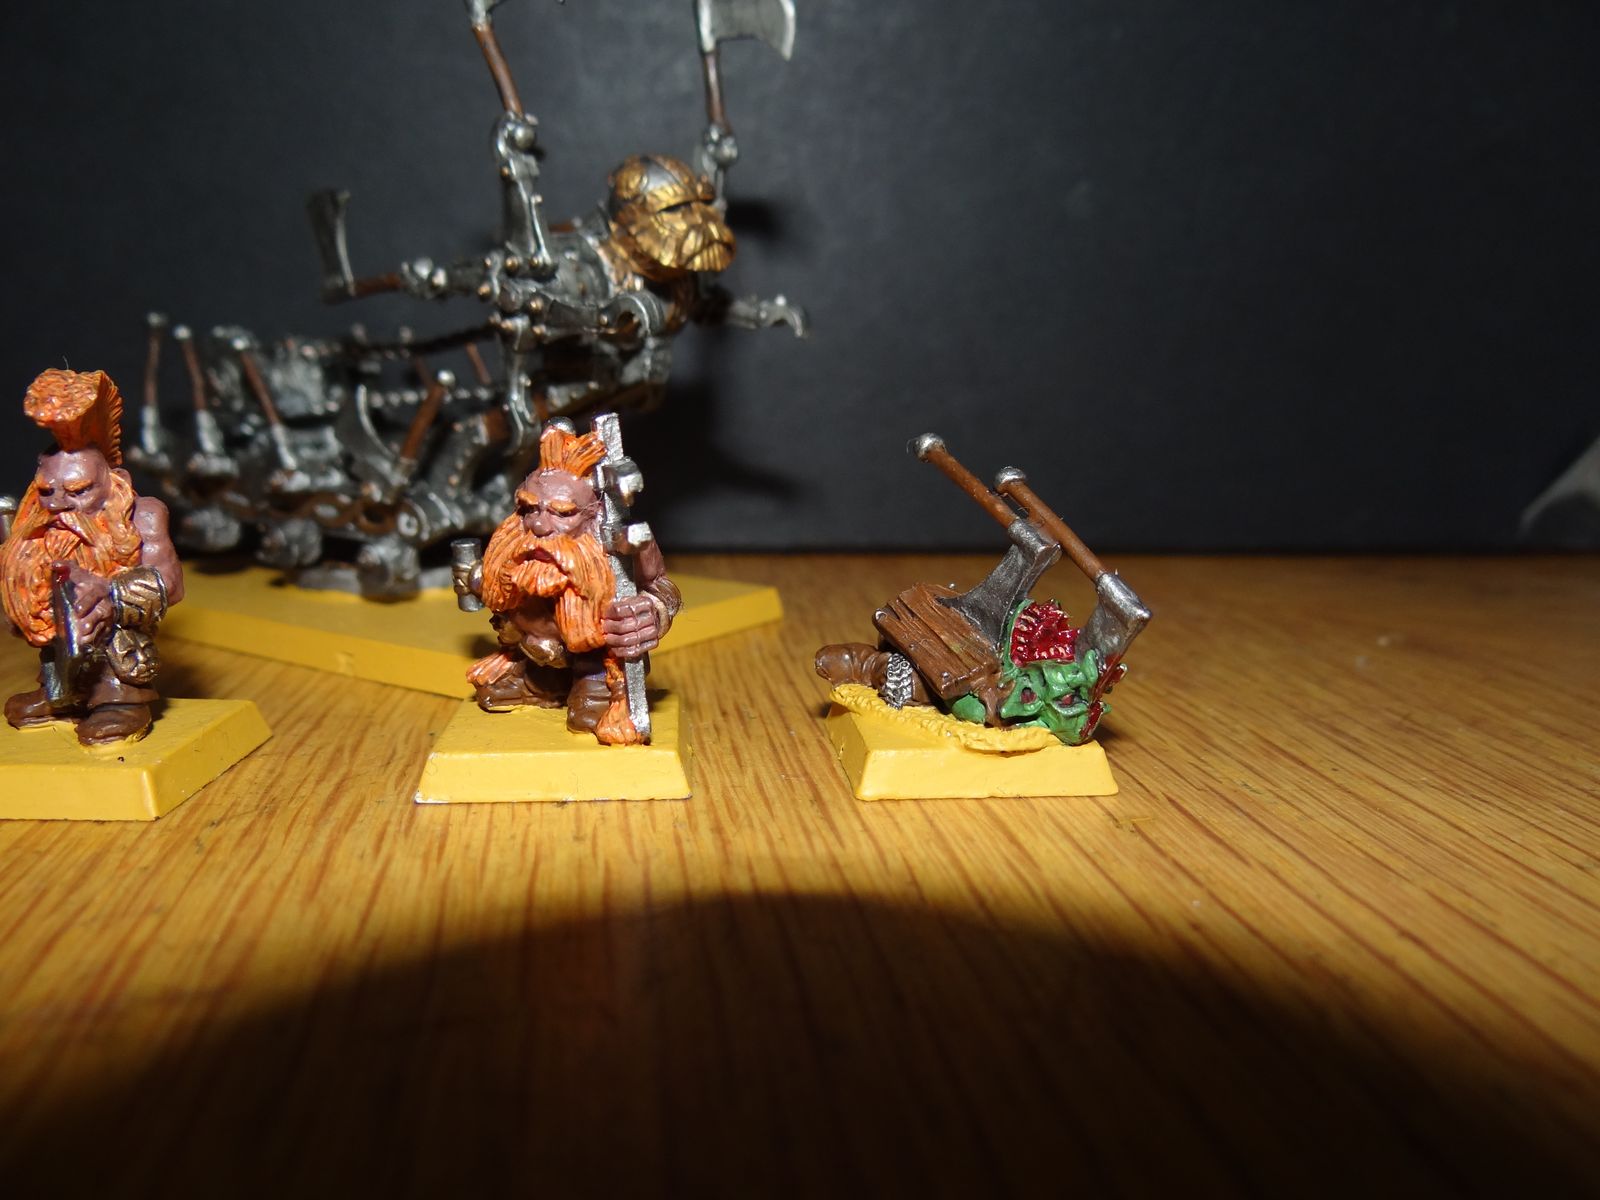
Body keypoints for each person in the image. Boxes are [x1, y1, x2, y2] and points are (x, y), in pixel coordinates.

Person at [461, 423, 679, 745]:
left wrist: (652, 612)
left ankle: (591, 686)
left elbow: (661, 587)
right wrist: (480, 579)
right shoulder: (518, 540)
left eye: (562, 513)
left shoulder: (625, 544)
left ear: (593, 514)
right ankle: (541, 684)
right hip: (531, 651)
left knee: (588, 716)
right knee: (493, 691)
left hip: (596, 660)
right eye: (529, 508)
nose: (539, 525)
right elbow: (495, 585)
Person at [1, 369, 184, 745]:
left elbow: (170, 584)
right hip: (59, 640)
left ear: (111, 482)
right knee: (55, 642)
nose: (60, 504)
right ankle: (59, 695)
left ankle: (120, 702)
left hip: (119, 642)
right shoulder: (40, 522)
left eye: (78, 490)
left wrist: (108, 592)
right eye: (48, 491)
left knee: (111, 641)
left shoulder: (142, 515)